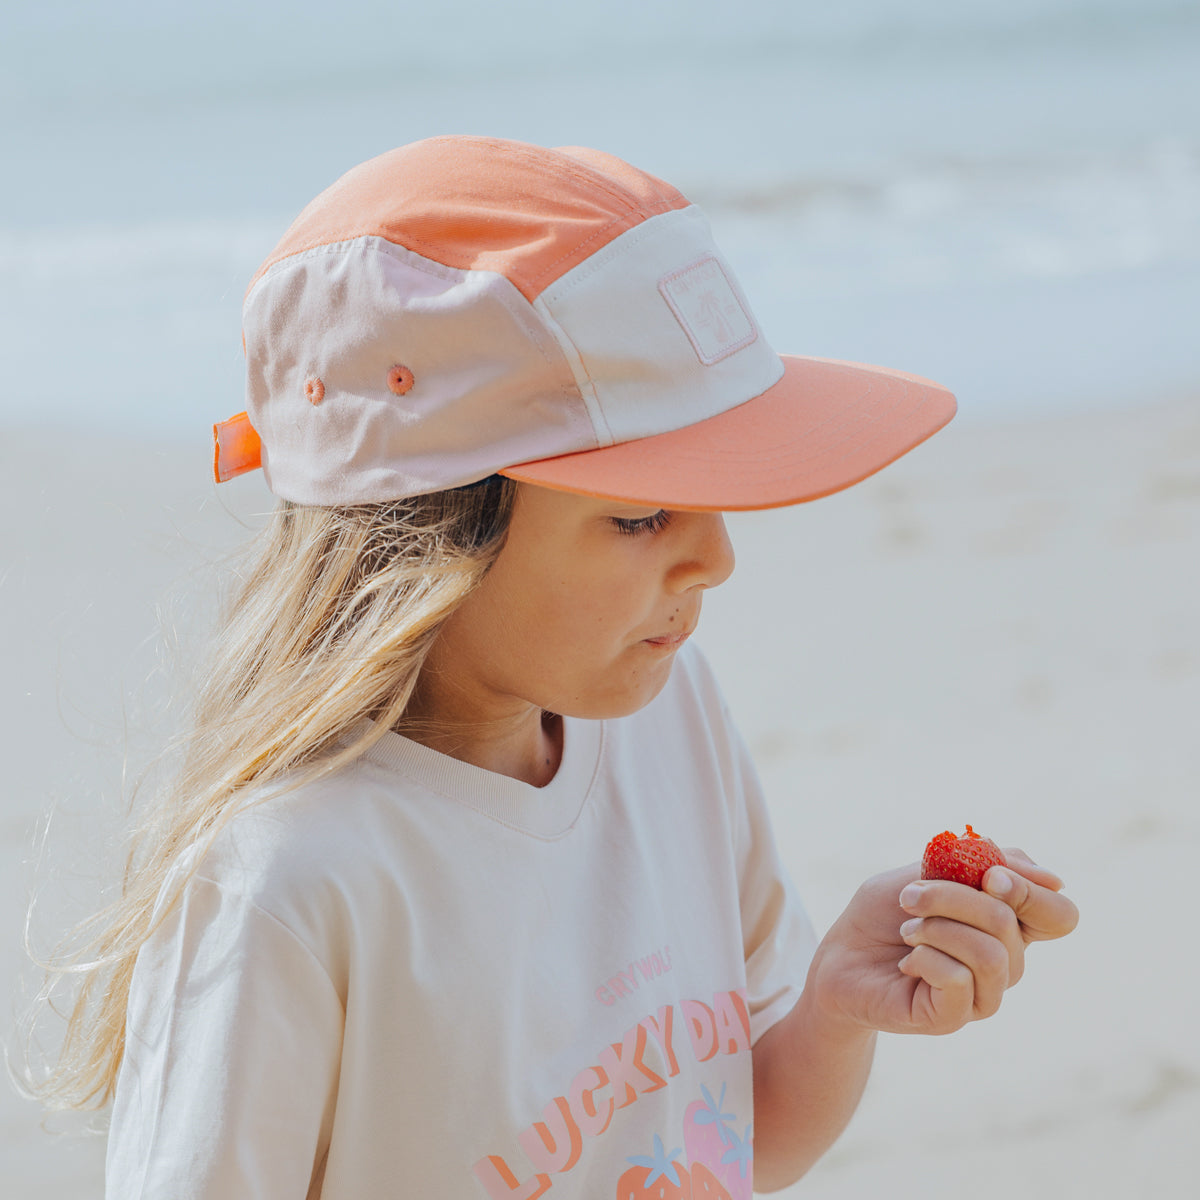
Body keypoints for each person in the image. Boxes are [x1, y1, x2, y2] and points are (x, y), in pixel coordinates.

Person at [31, 136, 1078, 1198]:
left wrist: (837, 1008)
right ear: (430, 538)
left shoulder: (668, 720)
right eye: (637, 514)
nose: (716, 556)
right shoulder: (288, 885)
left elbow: (727, 1148)